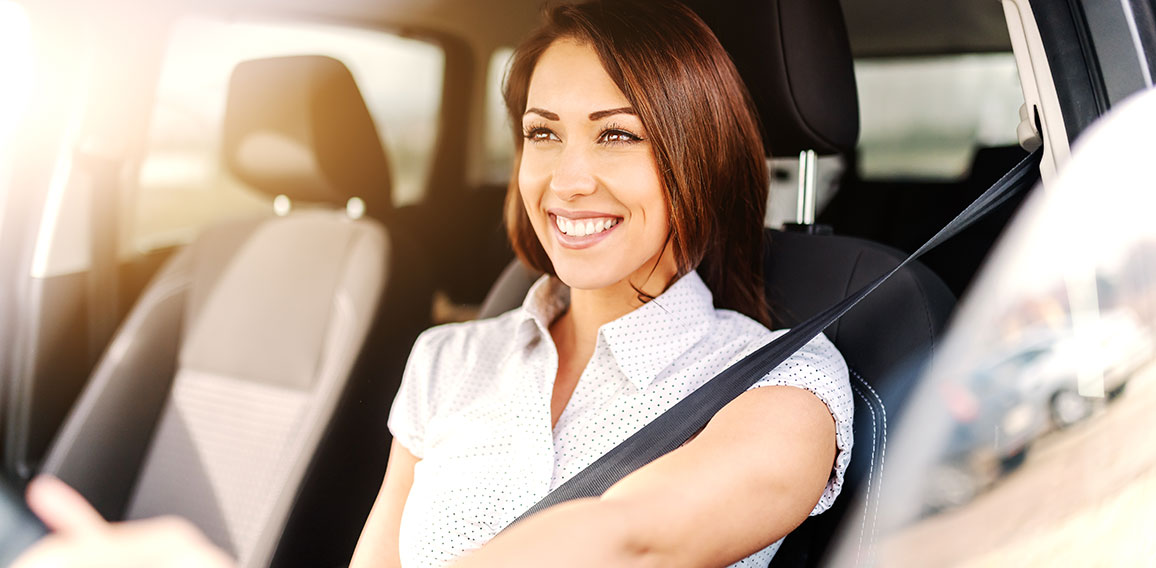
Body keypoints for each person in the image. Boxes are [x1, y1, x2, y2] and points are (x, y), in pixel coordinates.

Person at [13, 1, 852, 567]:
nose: (567, 180)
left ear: (693, 156)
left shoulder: (787, 383)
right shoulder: (449, 360)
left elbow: (623, 539)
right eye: (543, 134)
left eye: (617, 136)